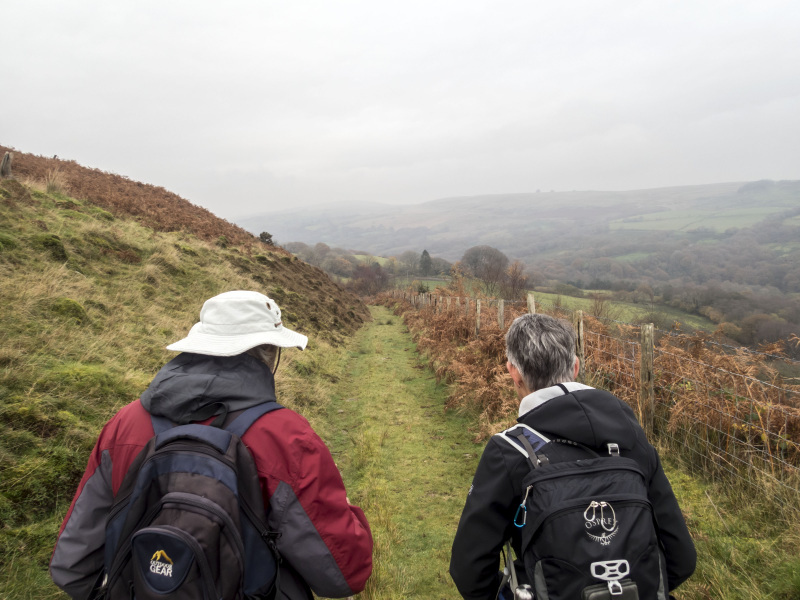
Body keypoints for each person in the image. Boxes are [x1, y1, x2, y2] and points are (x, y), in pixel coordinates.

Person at [50, 290, 373, 599]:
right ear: (269, 353)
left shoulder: (125, 424)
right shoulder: (286, 436)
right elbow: (343, 574)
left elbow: (72, 566)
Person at [450, 313, 696, 600]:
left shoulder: (510, 450)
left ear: (513, 372)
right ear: (576, 367)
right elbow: (681, 559)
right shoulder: (634, 439)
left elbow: (470, 570)